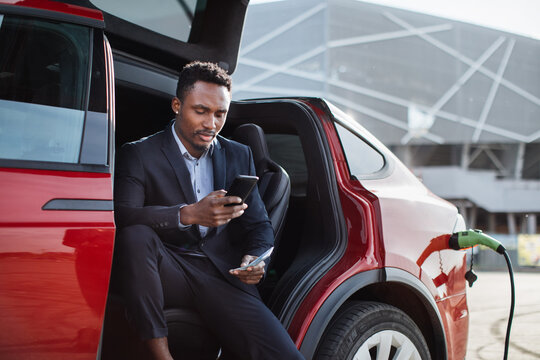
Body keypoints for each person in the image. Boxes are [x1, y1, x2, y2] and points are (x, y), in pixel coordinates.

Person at [113, 61, 304, 360]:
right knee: (136, 236)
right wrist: (187, 214)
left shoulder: (239, 154)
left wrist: (256, 258)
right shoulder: (138, 153)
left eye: (220, 114)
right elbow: (124, 216)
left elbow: (259, 226)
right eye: (200, 111)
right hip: (167, 268)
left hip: (222, 274)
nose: (211, 124)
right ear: (177, 105)